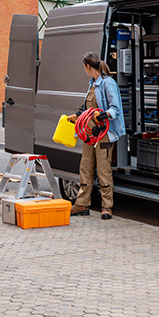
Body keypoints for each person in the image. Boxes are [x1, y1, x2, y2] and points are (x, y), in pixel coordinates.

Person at [67, 52, 125, 220]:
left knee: (103, 170)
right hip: (89, 135)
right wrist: (78, 115)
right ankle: (82, 204)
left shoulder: (108, 84)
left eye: (83, 67)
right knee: (85, 168)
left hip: (104, 134)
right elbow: (86, 107)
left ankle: (107, 207)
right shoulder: (92, 84)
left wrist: (102, 115)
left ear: (88, 66)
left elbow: (115, 108)